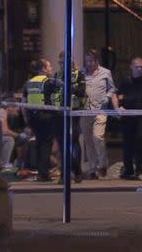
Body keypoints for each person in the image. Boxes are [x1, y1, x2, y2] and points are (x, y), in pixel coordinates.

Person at [116, 56, 142, 180]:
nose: (139, 69)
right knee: (128, 143)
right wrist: (119, 107)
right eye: (137, 67)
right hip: (128, 116)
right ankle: (128, 170)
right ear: (131, 67)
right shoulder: (125, 80)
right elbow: (116, 95)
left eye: (141, 67)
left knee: (140, 141)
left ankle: (139, 169)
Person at [22, 58, 63, 181]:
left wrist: (27, 120)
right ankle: (43, 174)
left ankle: (40, 172)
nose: (51, 69)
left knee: (39, 143)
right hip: (47, 117)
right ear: (44, 69)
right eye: (49, 66)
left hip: (33, 117)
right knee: (46, 145)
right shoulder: (49, 82)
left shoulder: (28, 82)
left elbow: (23, 102)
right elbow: (58, 97)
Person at [81, 48, 119, 179]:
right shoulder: (82, 73)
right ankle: (93, 167)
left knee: (98, 137)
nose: (89, 63)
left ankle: (102, 165)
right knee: (88, 141)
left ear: (97, 61)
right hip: (85, 111)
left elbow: (112, 88)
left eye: (91, 61)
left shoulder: (106, 73)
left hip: (100, 110)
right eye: (87, 61)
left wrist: (108, 97)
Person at [52, 51, 87, 184]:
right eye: (60, 63)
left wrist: (66, 86)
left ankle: (77, 172)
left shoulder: (78, 75)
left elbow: (81, 92)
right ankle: (64, 174)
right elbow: (53, 94)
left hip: (73, 113)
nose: (61, 65)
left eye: (64, 63)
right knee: (61, 145)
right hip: (60, 114)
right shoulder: (57, 75)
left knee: (73, 143)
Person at [0, 97, 31, 169]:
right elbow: (4, 131)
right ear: (10, 107)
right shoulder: (2, 111)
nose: (18, 110)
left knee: (22, 140)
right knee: (9, 139)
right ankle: (3, 165)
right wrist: (18, 135)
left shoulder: (5, 113)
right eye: (16, 108)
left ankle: (19, 163)